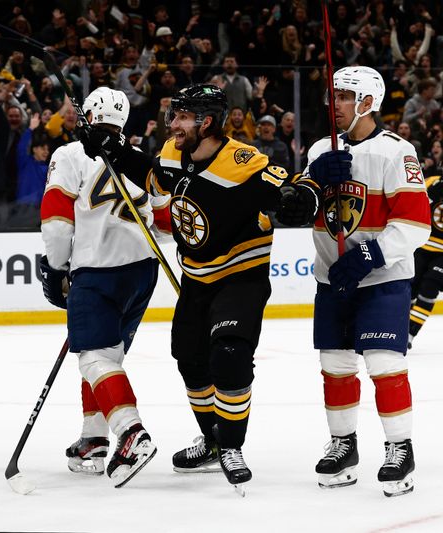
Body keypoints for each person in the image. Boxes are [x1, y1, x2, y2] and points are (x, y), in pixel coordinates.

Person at [80, 84, 292, 492]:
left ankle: (231, 446)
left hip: (241, 275)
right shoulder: (174, 153)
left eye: (179, 117)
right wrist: (113, 148)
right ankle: (211, 440)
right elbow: (153, 177)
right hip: (197, 277)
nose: (171, 123)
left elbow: (288, 187)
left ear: (205, 121)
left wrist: (300, 198)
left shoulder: (242, 161)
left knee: (229, 355)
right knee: (190, 360)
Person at [277, 66, 431, 497]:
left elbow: (416, 224)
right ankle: (344, 446)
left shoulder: (396, 152)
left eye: (344, 96)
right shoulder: (318, 150)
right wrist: (310, 181)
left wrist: (369, 254)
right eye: (333, 96)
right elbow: (299, 207)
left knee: (384, 364)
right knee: (336, 367)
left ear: (367, 102)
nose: (334, 104)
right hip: (332, 280)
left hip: (381, 279)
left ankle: (401, 449)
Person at [40, 87, 169, 487]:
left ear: (87, 117)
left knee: (94, 359)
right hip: (143, 271)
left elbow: (57, 221)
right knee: (108, 357)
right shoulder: (140, 159)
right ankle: (93, 439)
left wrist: (57, 266)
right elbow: (163, 226)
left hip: (97, 271)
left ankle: (131, 434)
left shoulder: (70, 154)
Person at [408, 175, 442, 348]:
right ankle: (399, 327)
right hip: (422, 247)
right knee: (409, 289)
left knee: (428, 289)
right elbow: (413, 206)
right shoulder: (431, 182)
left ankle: (409, 333)